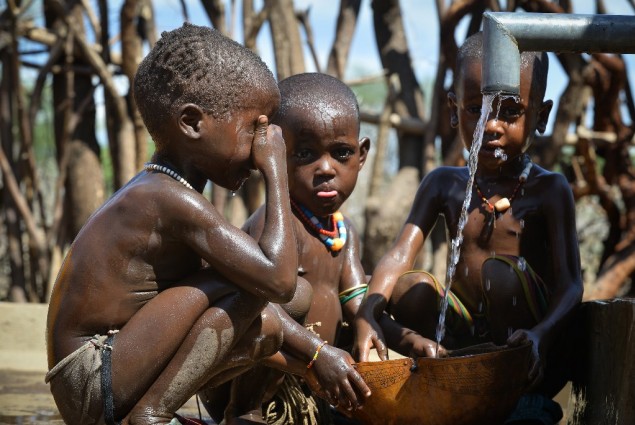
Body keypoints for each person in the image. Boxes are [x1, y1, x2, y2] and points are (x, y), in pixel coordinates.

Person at [45, 24, 367, 425]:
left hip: (113, 370)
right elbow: (277, 279)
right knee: (253, 286)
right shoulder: (165, 197)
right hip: (92, 377)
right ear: (194, 124)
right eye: (255, 129)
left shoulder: (172, 192)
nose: (259, 147)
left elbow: (284, 297)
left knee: (271, 319)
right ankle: (151, 414)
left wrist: (315, 359)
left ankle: (199, 414)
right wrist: (275, 170)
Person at [353, 31, 583, 424]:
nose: (491, 126)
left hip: (525, 351)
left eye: (510, 112)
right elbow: (398, 254)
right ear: (454, 110)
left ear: (539, 117)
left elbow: (572, 286)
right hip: (460, 335)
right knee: (410, 286)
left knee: (502, 276)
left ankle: (519, 394)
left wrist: (541, 336)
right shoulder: (444, 182)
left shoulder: (549, 190)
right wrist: (367, 313)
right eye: (477, 109)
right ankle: (445, 367)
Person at [199, 72, 372, 424]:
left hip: (316, 380)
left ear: (362, 154)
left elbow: (356, 302)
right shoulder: (277, 225)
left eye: (341, 153)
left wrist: (393, 334)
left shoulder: (343, 229)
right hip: (259, 379)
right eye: (305, 154)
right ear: (275, 157)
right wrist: (318, 354)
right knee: (290, 298)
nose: (325, 169)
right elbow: (254, 311)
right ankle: (244, 414)